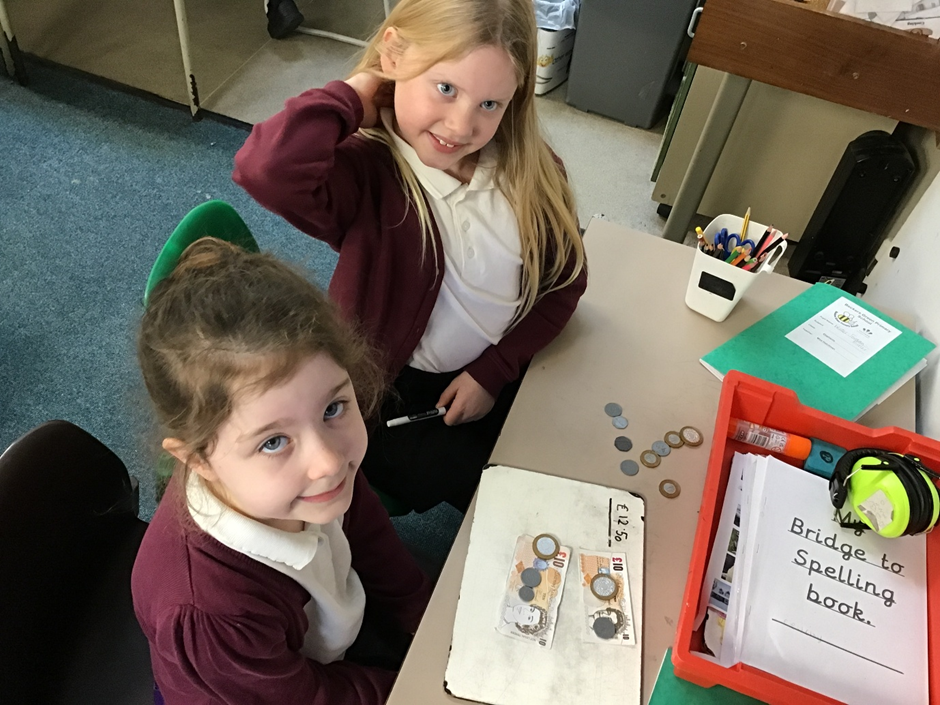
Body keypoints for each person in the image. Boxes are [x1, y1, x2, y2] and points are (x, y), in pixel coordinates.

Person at [233, 0, 588, 514]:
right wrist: (354, 95)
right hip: (397, 391)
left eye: (490, 104)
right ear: (394, 55)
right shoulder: (366, 173)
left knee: (559, 441)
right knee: (500, 494)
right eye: (445, 88)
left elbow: (565, 283)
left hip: (501, 360)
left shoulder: (529, 170)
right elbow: (266, 168)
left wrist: (493, 371)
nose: (461, 126)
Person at [132, 238, 431, 704]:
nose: (329, 461)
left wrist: (417, 612)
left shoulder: (309, 474)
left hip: (313, 643)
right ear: (199, 461)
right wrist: (419, 691)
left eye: (333, 407)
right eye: (273, 442)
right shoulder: (210, 609)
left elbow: (365, 528)